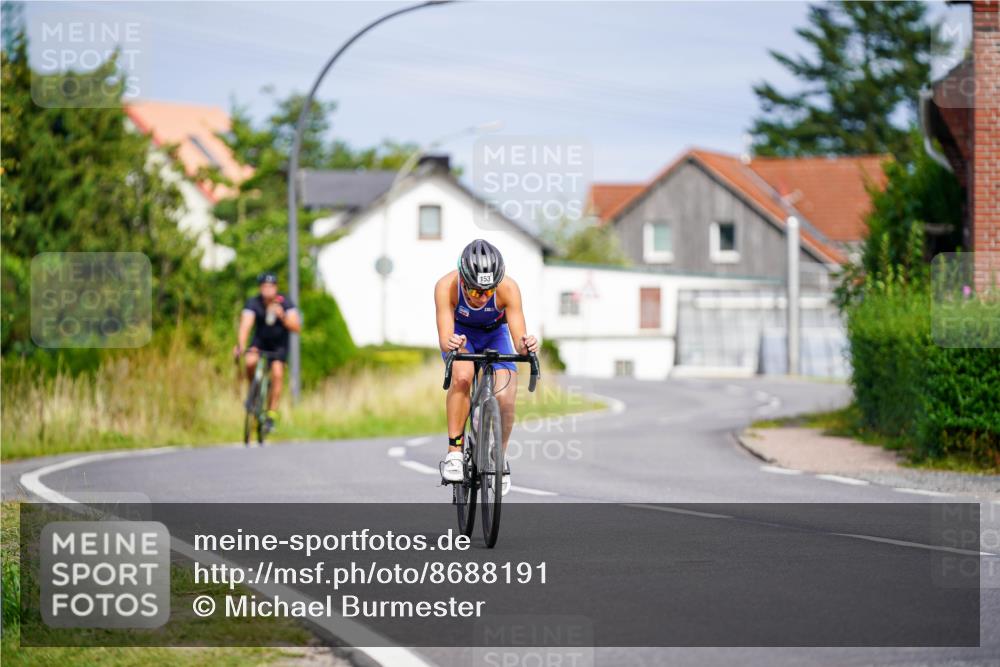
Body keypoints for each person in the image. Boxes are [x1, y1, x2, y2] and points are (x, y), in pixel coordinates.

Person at [435, 239, 539, 496]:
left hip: (495, 335)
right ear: (463, 281)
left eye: (488, 291)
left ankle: (498, 454)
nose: (481, 297)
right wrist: (453, 344)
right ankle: (454, 452)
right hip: (461, 336)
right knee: (463, 375)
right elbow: (445, 338)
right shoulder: (445, 287)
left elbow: (519, 341)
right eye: (474, 292)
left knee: (506, 396)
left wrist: (526, 345)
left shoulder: (509, 288)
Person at [233, 272, 301, 431]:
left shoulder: (286, 302)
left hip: (279, 345)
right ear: (260, 288)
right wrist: (241, 345)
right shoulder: (254, 303)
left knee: (277, 374)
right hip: (260, 342)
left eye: (270, 286)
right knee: (250, 361)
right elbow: (245, 325)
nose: (267, 290)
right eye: (264, 286)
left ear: (276, 288)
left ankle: (271, 415)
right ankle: (254, 392)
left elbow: (296, 327)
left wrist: (282, 316)